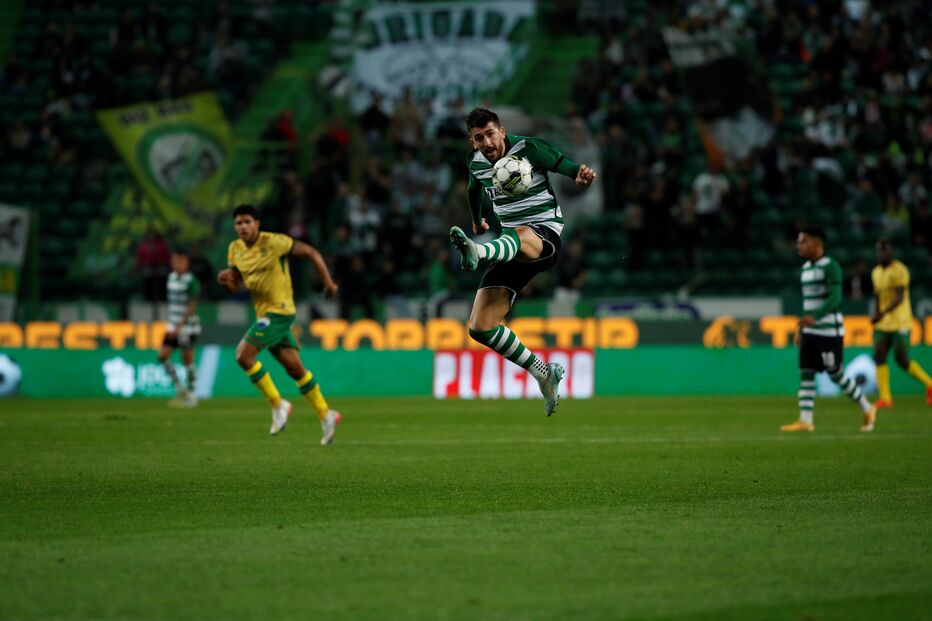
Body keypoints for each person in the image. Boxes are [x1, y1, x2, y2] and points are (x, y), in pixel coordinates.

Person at [448, 108, 597, 416]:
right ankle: (543, 372)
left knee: (520, 231)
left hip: (543, 238)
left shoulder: (529, 148)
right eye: (479, 138)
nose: (486, 142)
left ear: (501, 131)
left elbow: (564, 164)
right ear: (472, 141)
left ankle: (479, 252)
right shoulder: (476, 162)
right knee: (480, 327)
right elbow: (474, 189)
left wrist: (579, 174)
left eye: (490, 133)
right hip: (509, 247)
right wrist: (477, 222)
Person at [216, 205, 343, 445]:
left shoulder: (274, 242)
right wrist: (226, 281)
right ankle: (327, 414)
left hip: (280, 311)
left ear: (257, 224)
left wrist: (328, 283)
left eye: (247, 222)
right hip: (264, 314)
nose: (242, 227)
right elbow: (237, 287)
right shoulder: (234, 250)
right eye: (238, 223)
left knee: (243, 357)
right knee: (295, 370)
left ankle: (278, 404)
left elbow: (311, 252)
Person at [782, 228, 877, 433]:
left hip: (829, 331)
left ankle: (868, 408)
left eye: (803, 242)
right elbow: (809, 303)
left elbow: (836, 299)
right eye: (799, 242)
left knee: (836, 374)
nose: (799, 246)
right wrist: (802, 329)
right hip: (810, 331)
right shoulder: (805, 269)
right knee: (806, 373)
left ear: (817, 243)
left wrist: (814, 318)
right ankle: (805, 420)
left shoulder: (831, 266)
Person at [870, 239, 932, 408]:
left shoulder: (900, 270)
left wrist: (881, 313)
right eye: (879, 251)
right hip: (883, 324)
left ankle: (930, 384)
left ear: (891, 252)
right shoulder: (875, 272)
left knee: (902, 360)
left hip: (900, 322)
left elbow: (900, 297)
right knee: (878, 355)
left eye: (885, 250)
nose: (882, 254)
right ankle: (885, 398)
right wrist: (876, 314)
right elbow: (877, 296)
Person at [158, 248, 201, 408]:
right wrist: (172, 324)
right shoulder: (170, 278)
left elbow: (192, 306)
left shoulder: (191, 281)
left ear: (186, 263)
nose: (176, 264)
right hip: (172, 325)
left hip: (188, 327)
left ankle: (192, 393)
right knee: (163, 356)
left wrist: (179, 326)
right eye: (174, 261)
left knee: (188, 360)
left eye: (179, 261)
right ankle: (180, 388)